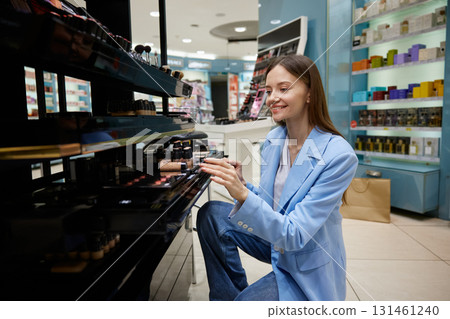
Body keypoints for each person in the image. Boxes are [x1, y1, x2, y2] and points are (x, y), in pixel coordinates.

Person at [197, 54, 358, 301]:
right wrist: (242, 185)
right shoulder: (275, 139)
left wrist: (243, 195)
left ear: (310, 94)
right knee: (210, 215)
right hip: (275, 238)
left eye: (284, 89)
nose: (272, 98)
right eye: (269, 90)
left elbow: (296, 234)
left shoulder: (339, 155)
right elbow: (271, 201)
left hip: (304, 259)